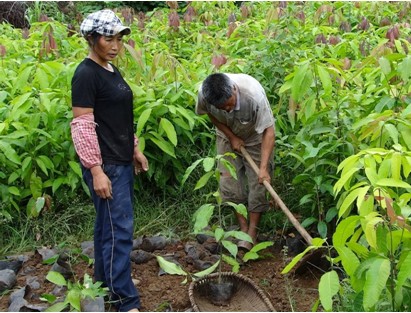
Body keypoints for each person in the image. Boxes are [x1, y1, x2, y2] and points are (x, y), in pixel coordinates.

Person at [70, 9, 148, 312]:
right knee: (120, 231)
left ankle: (105, 287)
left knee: (108, 229)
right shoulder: (86, 74)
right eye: (107, 38)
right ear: (91, 39)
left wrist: (134, 149)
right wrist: (96, 170)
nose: (115, 45)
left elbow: (119, 119)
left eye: (118, 38)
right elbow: (83, 126)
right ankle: (125, 301)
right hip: (106, 165)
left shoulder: (112, 70)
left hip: (120, 159)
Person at [195, 73, 275, 251]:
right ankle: (243, 228)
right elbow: (210, 114)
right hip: (226, 134)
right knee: (229, 183)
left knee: (258, 184)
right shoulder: (204, 94)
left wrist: (263, 169)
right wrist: (231, 136)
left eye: (230, 104)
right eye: (222, 108)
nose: (228, 109)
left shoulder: (254, 95)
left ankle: (252, 232)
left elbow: (269, 131)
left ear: (234, 89)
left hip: (256, 135)